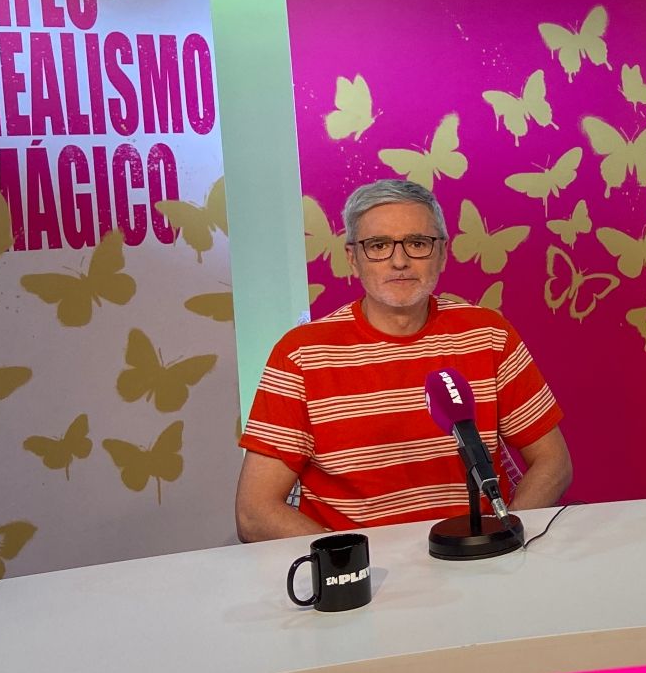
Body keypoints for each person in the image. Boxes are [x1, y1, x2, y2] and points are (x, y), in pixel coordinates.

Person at [236, 179, 573, 540]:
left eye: (417, 243)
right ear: (353, 259)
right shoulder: (301, 354)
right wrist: (350, 559)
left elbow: (553, 462)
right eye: (378, 245)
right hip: (361, 568)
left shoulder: (488, 334)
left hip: (477, 554)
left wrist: (506, 534)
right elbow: (254, 512)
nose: (399, 261)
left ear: (442, 253)